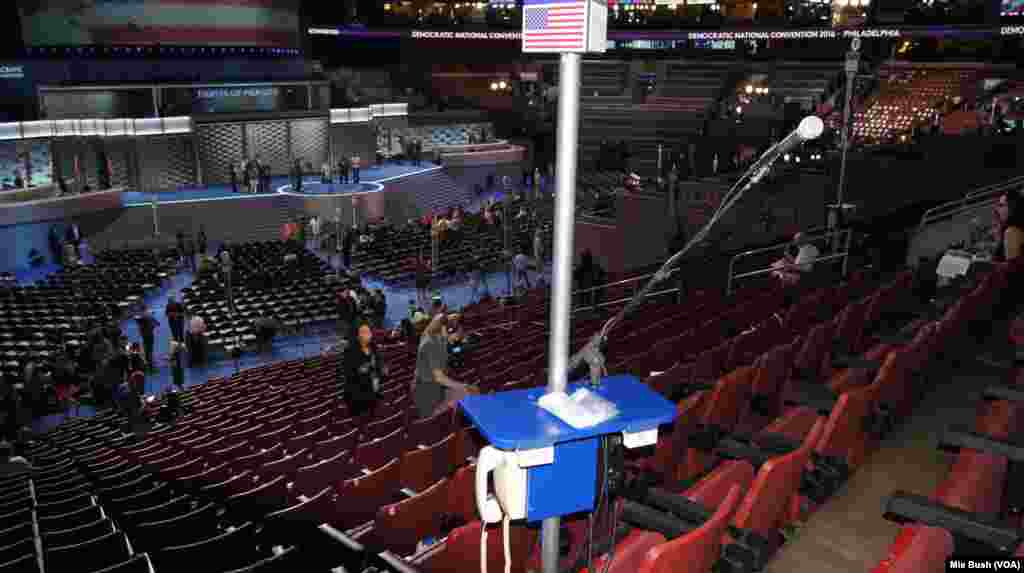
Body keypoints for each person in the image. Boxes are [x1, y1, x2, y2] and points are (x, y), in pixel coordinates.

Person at [413, 312, 477, 419]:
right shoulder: (432, 345)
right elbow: (439, 378)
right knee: (469, 392)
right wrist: (463, 386)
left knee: (473, 391)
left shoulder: (432, 338)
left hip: (437, 390)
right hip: (430, 398)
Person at [342, 322, 386, 419]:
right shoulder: (350, 351)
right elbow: (348, 372)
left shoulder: (373, 346)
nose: (368, 334)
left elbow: (379, 363)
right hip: (357, 393)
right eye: (364, 332)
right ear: (357, 335)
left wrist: (381, 369)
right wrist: (363, 369)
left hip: (373, 390)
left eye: (368, 331)